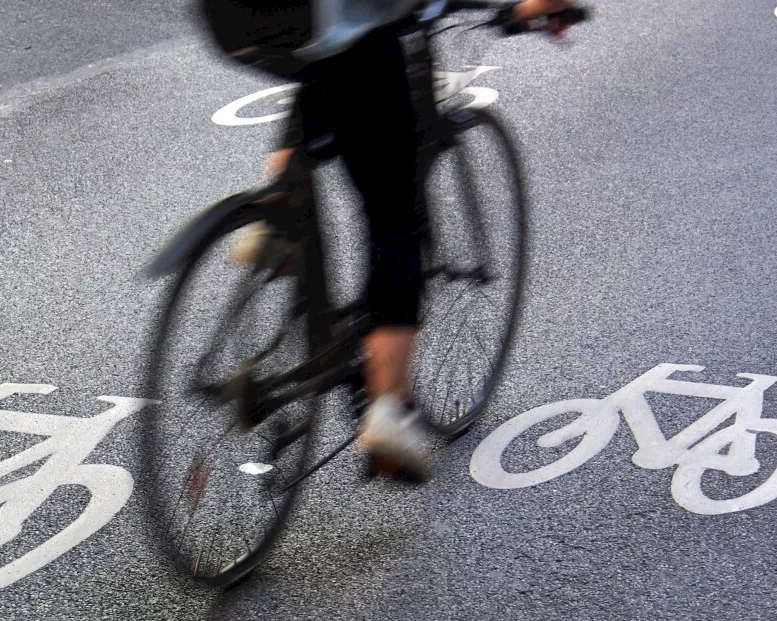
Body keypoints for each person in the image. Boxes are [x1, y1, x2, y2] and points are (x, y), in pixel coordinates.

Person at [200, 0, 579, 481]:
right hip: (329, 15)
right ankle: (388, 411)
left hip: (230, 19)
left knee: (322, 70)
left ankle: (278, 214)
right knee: (395, 215)